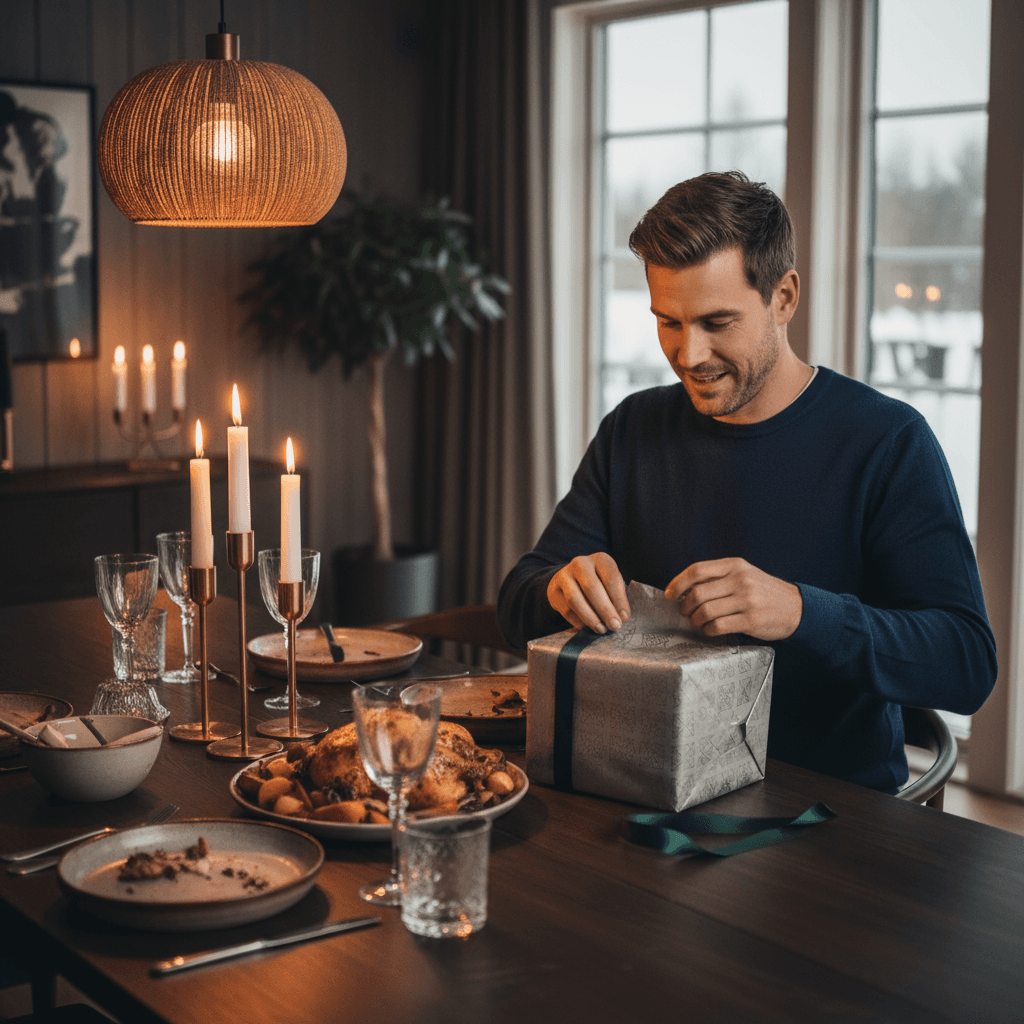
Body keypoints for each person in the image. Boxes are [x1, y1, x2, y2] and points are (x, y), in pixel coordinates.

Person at [497, 170, 997, 792]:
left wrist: (801, 612)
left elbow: (966, 663)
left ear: (783, 297)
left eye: (717, 322)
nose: (689, 355)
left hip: (825, 816)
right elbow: (516, 599)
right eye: (668, 322)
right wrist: (557, 590)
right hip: (638, 796)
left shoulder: (887, 442)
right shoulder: (633, 428)